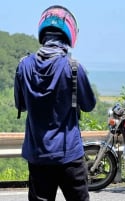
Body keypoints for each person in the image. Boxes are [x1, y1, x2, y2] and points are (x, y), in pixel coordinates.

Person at [14, 5, 96, 201]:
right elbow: (88, 105)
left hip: (38, 155)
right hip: (69, 155)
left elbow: (21, 105)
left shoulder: (23, 66)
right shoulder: (74, 67)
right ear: (69, 34)